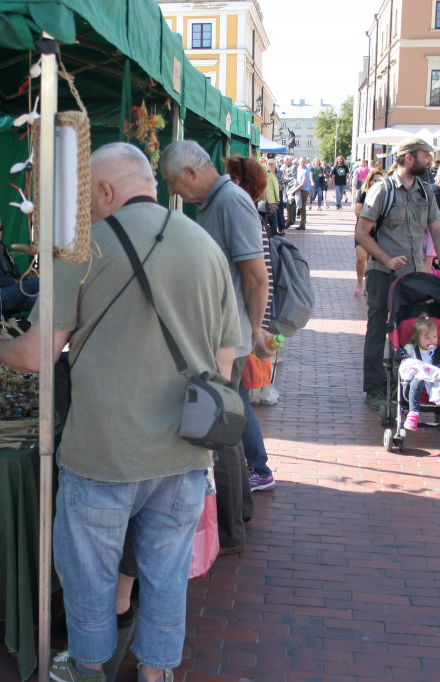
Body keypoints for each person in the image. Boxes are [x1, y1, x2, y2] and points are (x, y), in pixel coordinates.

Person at [0, 142, 239, 682]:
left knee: (89, 576)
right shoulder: (204, 245)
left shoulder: (84, 250)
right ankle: (154, 676)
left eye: (89, 195)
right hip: (185, 450)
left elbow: (33, 354)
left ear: (106, 190)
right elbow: (225, 364)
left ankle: (89, 669)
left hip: (102, 453)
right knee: (164, 577)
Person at [162, 140, 275, 548]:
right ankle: (238, 513)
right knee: (224, 424)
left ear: (191, 173)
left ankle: (229, 530)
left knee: (218, 430)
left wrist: (255, 331)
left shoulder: (230, 202)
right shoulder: (213, 203)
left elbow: (256, 276)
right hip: (222, 337)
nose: (175, 193)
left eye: (174, 184)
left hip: (227, 341)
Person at [356, 137, 440, 410]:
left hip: (414, 275)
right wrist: (386, 258)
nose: (430, 161)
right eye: (426, 156)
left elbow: (437, 228)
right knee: (377, 329)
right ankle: (374, 389)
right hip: (383, 273)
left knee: (414, 329)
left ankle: (411, 384)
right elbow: (361, 233)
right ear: (409, 158)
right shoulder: (382, 190)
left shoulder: (425, 191)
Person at [223, 154, 277, 492]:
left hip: (245, 326)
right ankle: (257, 465)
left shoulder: (244, 217)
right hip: (250, 324)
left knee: (239, 396)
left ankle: (259, 467)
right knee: (241, 394)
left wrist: (257, 330)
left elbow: (258, 281)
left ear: (240, 183)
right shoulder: (252, 217)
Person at [353, 169, 384, 296]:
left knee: (371, 260)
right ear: (369, 180)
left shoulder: (384, 195)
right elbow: (357, 212)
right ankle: (359, 282)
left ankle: (368, 284)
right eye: (374, 180)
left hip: (376, 231)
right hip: (362, 228)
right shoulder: (363, 193)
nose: (376, 182)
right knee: (361, 257)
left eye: (379, 180)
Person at [290, 156, 311, 230]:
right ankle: (290, 221)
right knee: (290, 204)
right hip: (297, 189)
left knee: (302, 208)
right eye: (301, 161)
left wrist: (294, 190)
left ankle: (302, 225)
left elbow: (303, 184)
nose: (303, 163)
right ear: (299, 162)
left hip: (304, 191)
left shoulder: (306, 170)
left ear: (306, 162)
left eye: (304, 162)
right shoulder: (298, 168)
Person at [263, 160, 282, 236]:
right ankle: (274, 234)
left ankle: (269, 234)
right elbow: (276, 188)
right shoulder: (271, 176)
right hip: (272, 201)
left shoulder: (267, 176)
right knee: (273, 219)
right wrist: (277, 200)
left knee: (265, 219)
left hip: (264, 200)